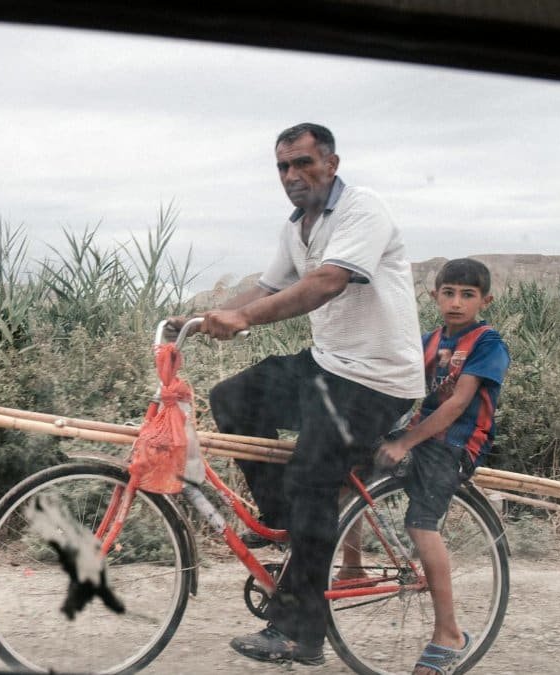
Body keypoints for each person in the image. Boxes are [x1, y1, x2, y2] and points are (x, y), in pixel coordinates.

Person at [177, 122, 425, 664]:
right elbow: (268, 287)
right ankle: (290, 525)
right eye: (283, 168)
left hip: (377, 378)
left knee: (315, 478)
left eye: (303, 164)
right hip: (328, 366)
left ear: (331, 164)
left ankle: (301, 633)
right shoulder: (297, 227)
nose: (293, 176)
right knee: (233, 399)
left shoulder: (363, 211)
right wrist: (198, 320)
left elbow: (326, 282)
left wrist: (241, 317)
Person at [371, 258, 511, 675]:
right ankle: (351, 567)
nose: (456, 302)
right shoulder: (428, 341)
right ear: (434, 296)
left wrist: (404, 442)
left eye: (467, 295)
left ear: (485, 300)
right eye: (448, 293)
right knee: (350, 472)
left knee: (421, 523)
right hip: (421, 435)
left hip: (455, 443)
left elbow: (455, 405)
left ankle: (448, 632)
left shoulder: (488, 343)